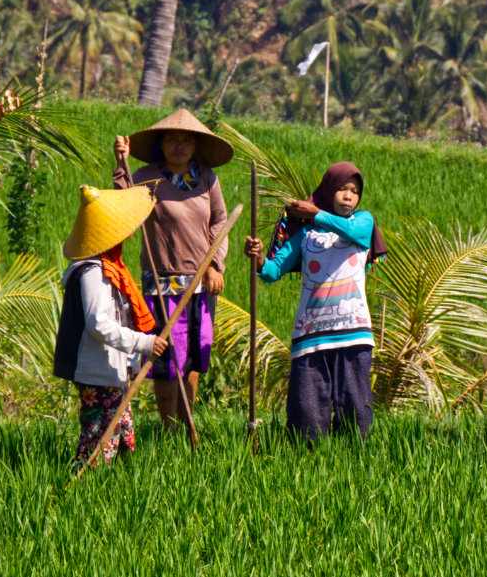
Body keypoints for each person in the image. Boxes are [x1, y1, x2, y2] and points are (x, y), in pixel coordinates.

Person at [243, 162, 387, 444]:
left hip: (354, 333)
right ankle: (307, 466)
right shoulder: (306, 236)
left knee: (356, 413)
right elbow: (272, 271)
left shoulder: (363, 222)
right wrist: (258, 258)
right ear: (326, 191)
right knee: (307, 416)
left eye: (355, 191)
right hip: (310, 336)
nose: (348, 195)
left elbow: (358, 234)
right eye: (341, 189)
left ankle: (355, 465)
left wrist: (316, 214)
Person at [112, 108, 231, 431]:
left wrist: (214, 265)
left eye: (187, 141)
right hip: (160, 285)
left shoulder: (206, 178)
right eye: (172, 140)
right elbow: (124, 209)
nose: (179, 146)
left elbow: (220, 222)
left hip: (200, 285)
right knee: (164, 359)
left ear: (195, 147)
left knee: (193, 356)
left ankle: (187, 421)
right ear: (162, 145)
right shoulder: (147, 177)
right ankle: (169, 429)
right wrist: (121, 164)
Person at [54, 183, 169, 467]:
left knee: (119, 439)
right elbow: (98, 323)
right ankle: (85, 494)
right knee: (98, 444)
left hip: (109, 369)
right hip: (97, 371)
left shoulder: (110, 268)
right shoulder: (94, 272)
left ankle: (112, 492)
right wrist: (144, 343)